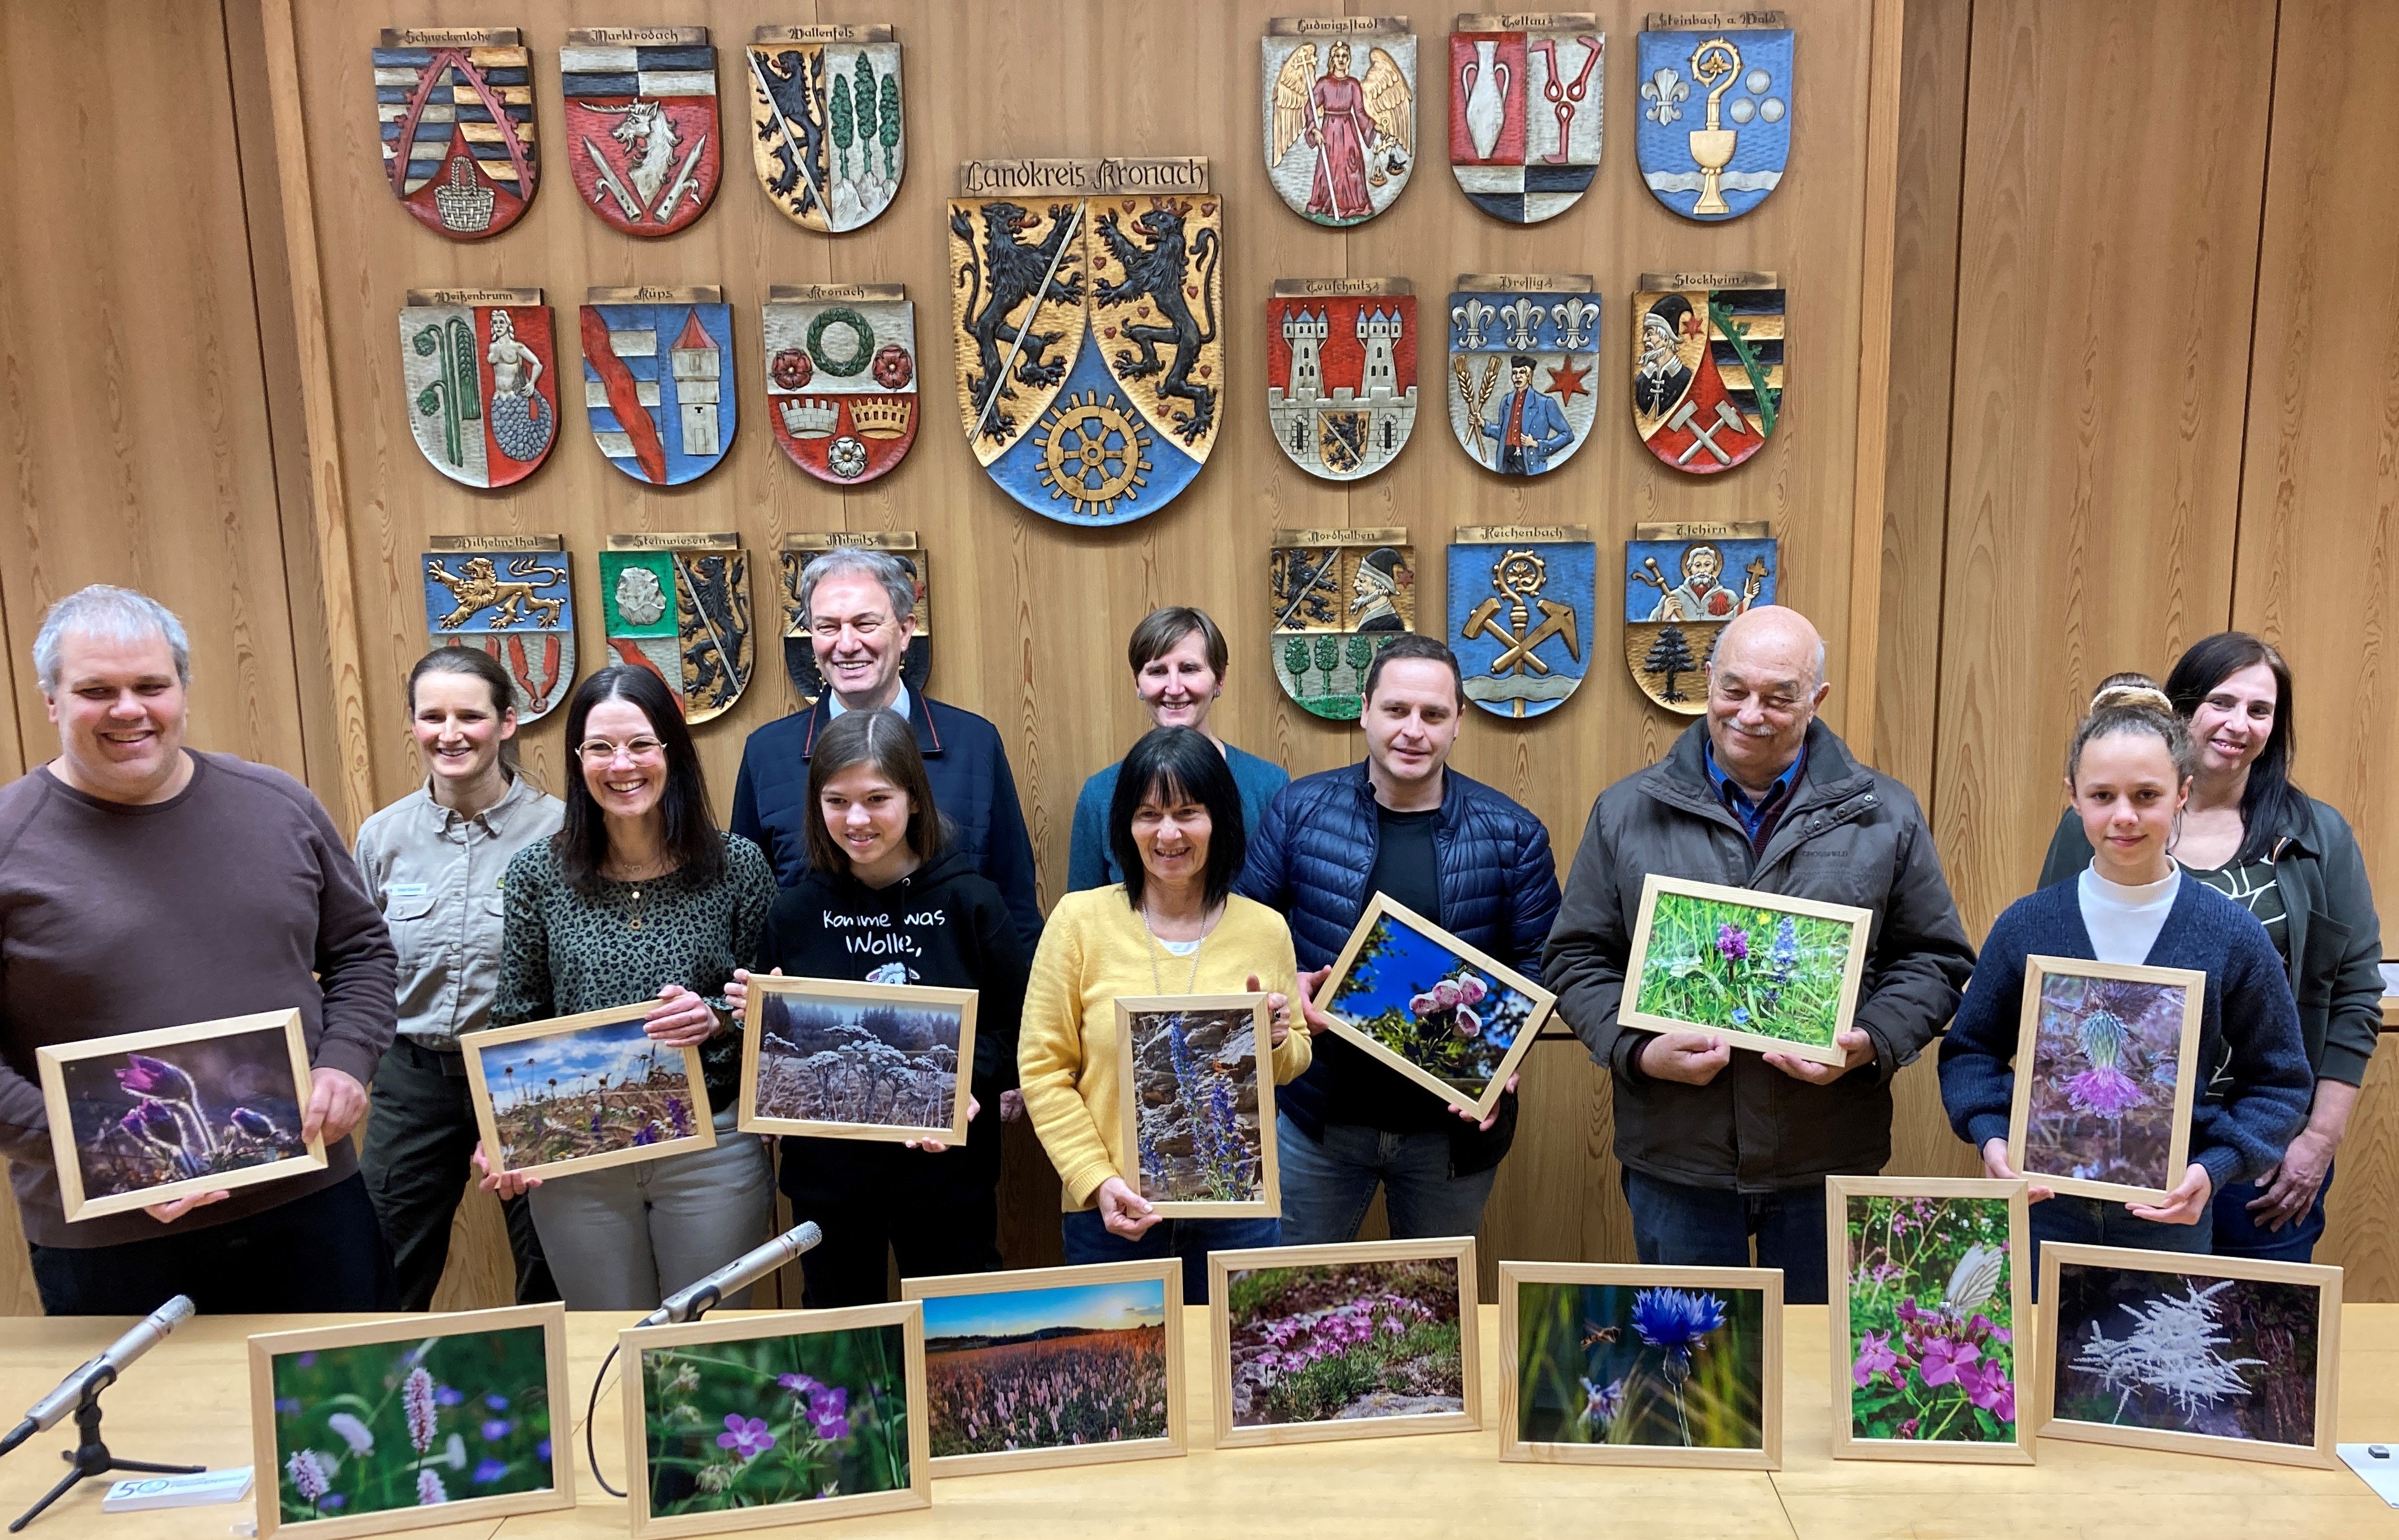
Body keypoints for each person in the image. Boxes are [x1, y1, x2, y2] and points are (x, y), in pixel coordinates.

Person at [1542, 607, 1974, 1304]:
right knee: (1695, 1376)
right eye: (1734, 689)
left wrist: (1869, 1041)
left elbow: (1934, 959)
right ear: (1707, 681)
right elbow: (1575, 958)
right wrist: (1636, 1049)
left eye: (1780, 695)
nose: (1752, 713)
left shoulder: (1884, 813)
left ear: (1817, 699)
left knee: (1816, 1376)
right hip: (1677, 1155)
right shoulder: (1626, 810)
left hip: (1824, 1152)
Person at [0, 585, 398, 1313]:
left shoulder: (278, 804)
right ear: (52, 701)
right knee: (147, 1431)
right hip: (111, 1241)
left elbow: (363, 951)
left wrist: (345, 1061)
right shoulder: (7, 842)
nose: (129, 708)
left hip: (312, 1208)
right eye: (96, 689)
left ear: (182, 688)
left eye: (151, 684)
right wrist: (100, 1152)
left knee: (349, 1420)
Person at [1942, 682, 2313, 1263]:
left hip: (2168, 1220)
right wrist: (1991, 1136)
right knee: (2040, 1356)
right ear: (2072, 797)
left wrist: (2214, 1169)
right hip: (2043, 1212)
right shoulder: (2027, 926)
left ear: (2182, 794)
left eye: (2146, 795)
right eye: (2102, 795)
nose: (2124, 816)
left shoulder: (2230, 934)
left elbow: (2280, 1080)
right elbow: (1970, 1053)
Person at [2033, 640, 2379, 1261]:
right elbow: (2051, 972)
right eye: (2220, 701)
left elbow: (2355, 989)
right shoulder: (2103, 821)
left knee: (2247, 1349)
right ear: (2180, 710)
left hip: (2259, 1150)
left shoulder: (2317, 835)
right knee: (2113, 1342)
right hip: (2118, 1143)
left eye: (2259, 709)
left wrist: (2317, 1138)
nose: (2237, 724)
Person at [1238, 634, 1559, 1245]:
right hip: (1317, 1119)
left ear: (1458, 722)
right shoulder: (1299, 810)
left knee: (1437, 1315)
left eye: (1433, 714)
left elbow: (1543, 963)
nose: (1414, 730)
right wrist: (1287, 987)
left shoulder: (1513, 834)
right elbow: (1244, 932)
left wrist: (1503, 1047)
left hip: (1449, 1132)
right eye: (1396, 710)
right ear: (1365, 710)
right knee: (1292, 1305)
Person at [478, 666, 777, 1311]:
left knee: (708, 1354)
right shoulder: (538, 872)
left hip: (713, 1149)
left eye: (641, 744)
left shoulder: (738, 865)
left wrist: (717, 1019)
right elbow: (517, 1013)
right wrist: (501, 1129)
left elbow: (774, 1016)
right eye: (600, 747)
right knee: (607, 1346)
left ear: (672, 750)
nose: (622, 765)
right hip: (578, 1155)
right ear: (577, 758)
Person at [725, 710, 1031, 1306]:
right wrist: (759, 1018)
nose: (856, 820)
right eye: (836, 801)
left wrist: (968, 1080)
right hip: (829, 1186)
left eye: (877, 799)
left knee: (954, 1343)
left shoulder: (972, 902)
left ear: (914, 799)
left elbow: (1018, 1028)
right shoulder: (793, 913)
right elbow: (773, 1053)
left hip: (948, 1179)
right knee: (844, 1352)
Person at [1020, 727, 1311, 1303]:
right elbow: (1043, 1070)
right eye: (1148, 814)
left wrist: (1275, 1038)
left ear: (1219, 820)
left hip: (1239, 1214)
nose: (1168, 833)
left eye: (1188, 813)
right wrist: (1094, 1180)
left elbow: (1295, 1059)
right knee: (1128, 1390)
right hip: (1112, 1213)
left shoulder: (1264, 927)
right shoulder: (1079, 922)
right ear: (1125, 826)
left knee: (1235, 1384)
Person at [354, 647, 562, 1309]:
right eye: (432, 715)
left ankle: (544, 1402)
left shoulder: (560, 832)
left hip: (529, 1074)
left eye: (469, 714)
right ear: (413, 724)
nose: (451, 732)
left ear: (506, 722)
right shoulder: (383, 836)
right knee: (385, 1256)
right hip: (412, 1077)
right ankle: (383, 1400)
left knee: (548, 1257)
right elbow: (358, 962)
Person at [732, 548, 1041, 946]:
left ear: (906, 630)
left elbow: (1014, 904)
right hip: (818, 1005)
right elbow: (748, 912)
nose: (846, 644)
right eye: (827, 627)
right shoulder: (766, 755)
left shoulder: (974, 743)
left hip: (954, 1003)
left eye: (865, 623)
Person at [1067, 607, 1288, 891]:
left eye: (1189, 669)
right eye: (1157, 671)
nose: (1173, 688)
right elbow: (1083, 913)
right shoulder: (1100, 793)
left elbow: (1284, 911)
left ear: (1219, 680)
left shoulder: (1270, 787)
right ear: (1138, 683)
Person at [1478, 356, 1573, 474]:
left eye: (1522, 372)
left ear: (1530, 375)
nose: (1518, 376)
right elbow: (1504, 433)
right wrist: (1484, 424)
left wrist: (1537, 445)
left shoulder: (1545, 403)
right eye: (1515, 373)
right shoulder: (1506, 401)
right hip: (1506, 459)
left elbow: (1568, 435)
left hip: (1530, 461)